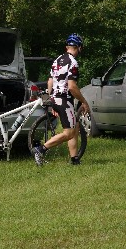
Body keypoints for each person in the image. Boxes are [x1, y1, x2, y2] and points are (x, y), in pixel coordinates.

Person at [33, 33, 90, 166]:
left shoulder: (57, 60)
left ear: (67, 47)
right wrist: (84, 101)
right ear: (79, 47)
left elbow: (50, 82)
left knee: (75, 126)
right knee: (69, 133)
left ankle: (75, 159)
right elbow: (72, 87)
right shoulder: (73, 63)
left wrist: (49, 103)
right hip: (64, 100)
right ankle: (40, 149)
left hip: (55, 99)